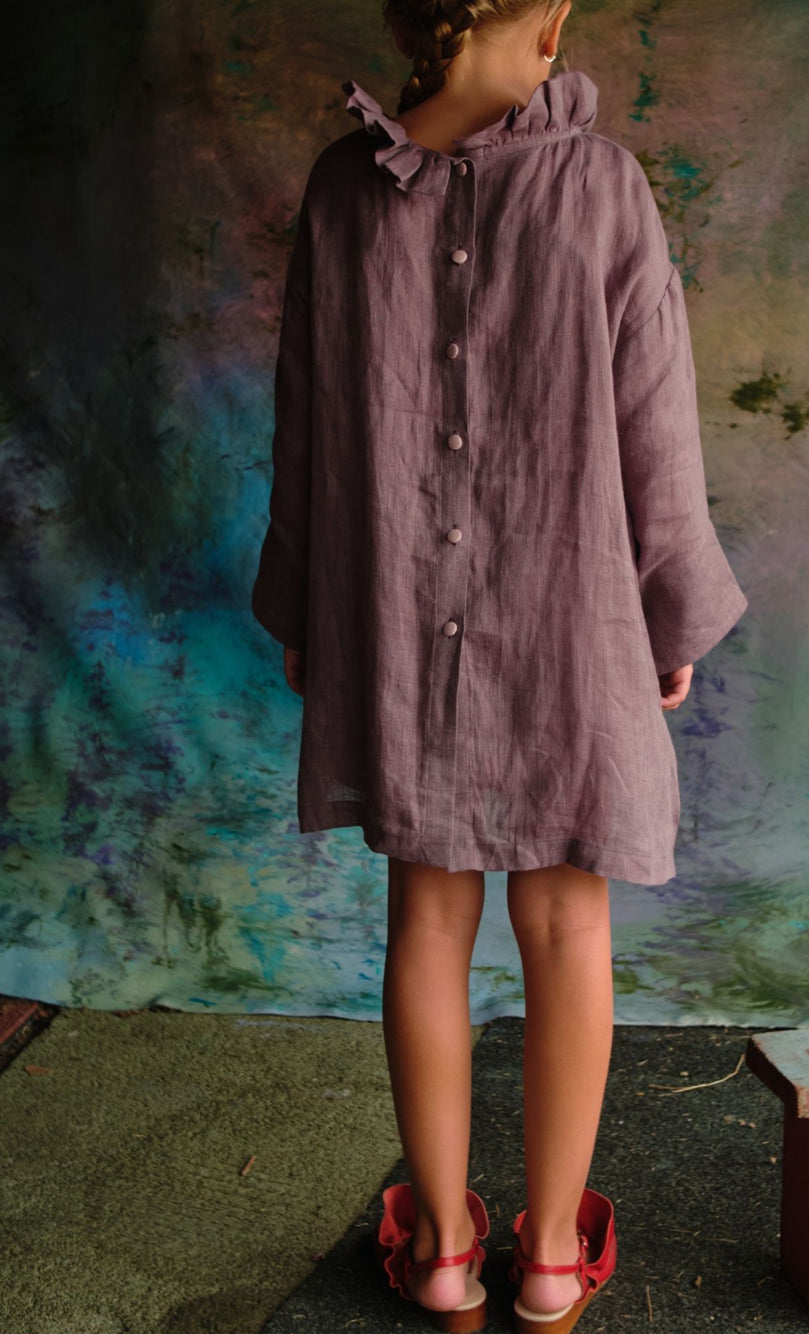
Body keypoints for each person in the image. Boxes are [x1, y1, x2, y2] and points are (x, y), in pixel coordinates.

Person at [251, 2, 749, 1330]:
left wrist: (304, 601)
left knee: (426, 920)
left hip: (397, 616)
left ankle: (442, 1253)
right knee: (569, 923)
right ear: (532, 20)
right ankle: (550, 1262)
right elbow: (656, 420)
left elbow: (304, 417)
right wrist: (669, 615)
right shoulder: (603, 186)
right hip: (576, 616)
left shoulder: (343, 193)